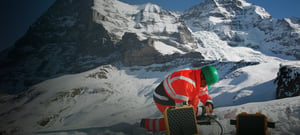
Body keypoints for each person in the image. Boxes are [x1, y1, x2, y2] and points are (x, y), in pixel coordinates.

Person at [140, 65, 219, 132]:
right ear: (202, 77)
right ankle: (145, 124)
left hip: (177, 97)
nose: (204, 86)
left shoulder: (198, 78)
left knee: (193, 105)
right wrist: (202, 110)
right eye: (205, 83)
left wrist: (208, 103)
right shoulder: (186, 84)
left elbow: (203, 91)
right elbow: (182, 110)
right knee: (178, 121)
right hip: (163, 99)